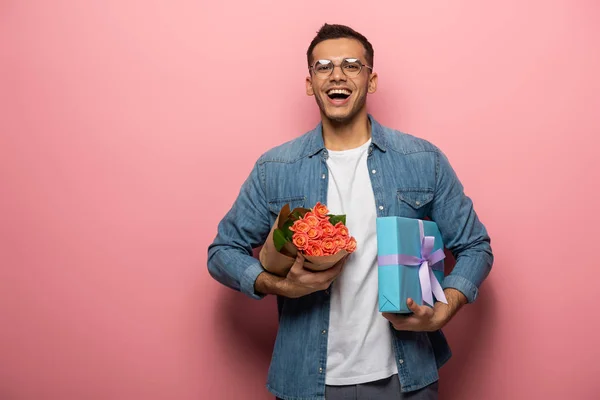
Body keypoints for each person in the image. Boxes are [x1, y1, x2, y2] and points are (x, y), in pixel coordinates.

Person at [207, 23, 493, 400]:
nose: (337, 74)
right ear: (310, 83)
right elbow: (222, 252)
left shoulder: (422, 160)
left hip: (406, 377)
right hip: (307, 381)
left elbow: (476, 246)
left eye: (351, 65)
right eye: (323, 66)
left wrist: (445, 309)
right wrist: (281, 286)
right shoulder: (275, 168)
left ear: (371, 80)